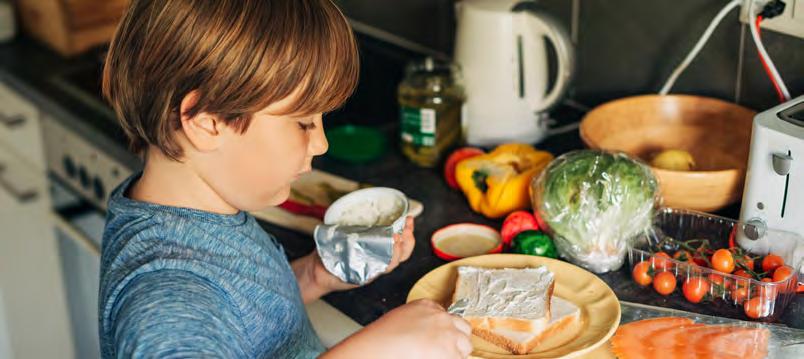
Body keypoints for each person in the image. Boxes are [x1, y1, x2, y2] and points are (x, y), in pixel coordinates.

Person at [98, 0, 472, 358]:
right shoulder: (165, 294)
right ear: (206, 121)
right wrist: (379, 350)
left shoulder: (197, 215)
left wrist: (313, 276)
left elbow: (241, 312)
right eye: (304, 122)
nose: (322, 143)